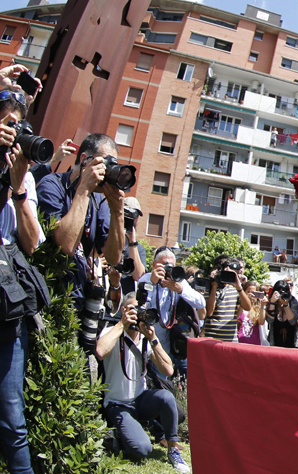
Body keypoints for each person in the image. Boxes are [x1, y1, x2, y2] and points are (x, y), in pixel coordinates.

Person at [0, 85, 51, 474]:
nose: (13, 133)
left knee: (12, 411)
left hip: (6, 300)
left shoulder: (23, 177)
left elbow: (32, 243)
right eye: (6, 123)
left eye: (17, 126)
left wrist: (17, 182)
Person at [95, 293, 190, 472]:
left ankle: (172, 450)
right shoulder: (111, 330)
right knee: (142, 449)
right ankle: (119, 434)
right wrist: (121, 324)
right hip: (118, 403)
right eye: (134, 310)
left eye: (142, 312)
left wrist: (154, 340)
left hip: (140, 400)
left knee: (166, 397)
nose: (139, 315)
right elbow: (100, 351)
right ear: (124, 311)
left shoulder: (145, 338)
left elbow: (168, 371)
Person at [36, 133, 125, 311]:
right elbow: (67, 245)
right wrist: (84, 188)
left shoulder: (98, 201)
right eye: (105, 163)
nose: (107, 172)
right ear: (84, 159)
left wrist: (118, 212)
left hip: (76, 301)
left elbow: (113, 257)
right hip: (47, 296)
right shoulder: (52, 185)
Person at [139, 247, 205, 379]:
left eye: (171, 266)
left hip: (171, 345)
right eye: (164, 265)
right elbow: (139, 304)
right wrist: (152, 283)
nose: (168, 269)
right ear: (154, 265)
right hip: (149, 345)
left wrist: (181, 291)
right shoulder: (145, 280)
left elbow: (201, 303)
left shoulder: (178, 281)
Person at [203, 256, 252, 342]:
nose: (226, 270)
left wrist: (239, 287)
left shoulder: (234, 288)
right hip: (211, 339)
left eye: (228, 267)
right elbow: (209, 313)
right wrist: (214, 285)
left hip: (231, 340)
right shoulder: (209, 288)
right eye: (223, 268)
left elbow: (247, 307)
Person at [267, 279, 298, 348]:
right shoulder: (271, 302)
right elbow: (269, 320)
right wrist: (272, 303)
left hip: (292, 345)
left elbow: (292, 321)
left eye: (285, 292)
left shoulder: (292, 301)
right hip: (275, 345)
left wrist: (286, 305)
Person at [237, 281, 266, 345]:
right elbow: (236, 318)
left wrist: (263, 306)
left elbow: (261, 322)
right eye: (248, 292)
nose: (251, 295)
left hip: (254, 344)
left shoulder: (258, 308)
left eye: (253, 293)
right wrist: (245, 300)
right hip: (240, 342)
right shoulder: (239, 307)